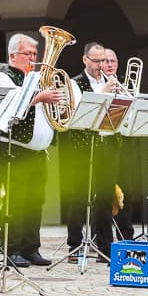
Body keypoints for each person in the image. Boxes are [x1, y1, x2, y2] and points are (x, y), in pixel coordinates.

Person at [0, 33, 64, 268]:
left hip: (38, 151)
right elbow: (10, 105)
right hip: (15, 149)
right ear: (13, 55)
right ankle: (11, 249)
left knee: (35, 201)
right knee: (15, 201)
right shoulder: (4, 77)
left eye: (35, 54)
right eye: (28, 54)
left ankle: (31, 247)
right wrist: (39, 97)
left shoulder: (37, 78)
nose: (33, 58)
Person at [63, 42, 112, 260]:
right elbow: (79, 111)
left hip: (105, 145)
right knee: (79, 196)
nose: (100, 65)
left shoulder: (109, 82)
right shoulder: (74, 84)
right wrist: (104, 92)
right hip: (81, 146)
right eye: (96, 61)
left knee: (104, 197)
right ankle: (74, 245)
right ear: (85, 60)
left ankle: (105, 247)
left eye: (103, 60)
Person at [102, 47, 137, 239]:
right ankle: (104, 239)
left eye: (112, 61)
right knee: (105, 194)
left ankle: (126, 235)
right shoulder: (97, 86)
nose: (109, 65)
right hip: (104, 144)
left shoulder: (125, 86)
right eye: (106, 61)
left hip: (125, 143)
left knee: (128, 191)